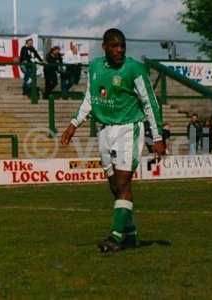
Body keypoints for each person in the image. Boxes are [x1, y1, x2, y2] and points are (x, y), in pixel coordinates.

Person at [61, 28, 164, 253]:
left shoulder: (134, 69)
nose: (119, 50)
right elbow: (90, 97)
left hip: (129, 128)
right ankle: (131, 233)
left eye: (122, 46)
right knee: (114, 186)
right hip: (105, 130)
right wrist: (73, 124)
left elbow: (150, 103)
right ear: (104, 47)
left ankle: (115, 237)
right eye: (115, 46)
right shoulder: (96, 67)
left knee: (123, 182)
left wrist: (157, 137)